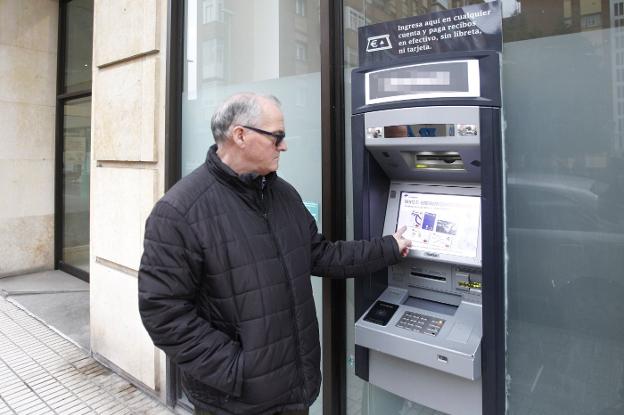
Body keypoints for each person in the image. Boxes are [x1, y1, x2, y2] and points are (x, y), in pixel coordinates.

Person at [138, 92, 411, 415]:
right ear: (240, 135)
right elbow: (163, 313)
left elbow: (321, 255)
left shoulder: (283, 195)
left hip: (294, 391)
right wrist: (237, 371)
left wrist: (389, 247)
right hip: (234, 402)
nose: (284, 146)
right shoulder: (180, 211)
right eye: (277, 136)